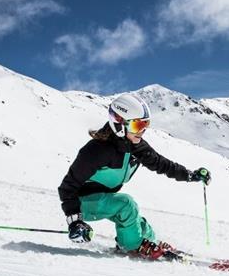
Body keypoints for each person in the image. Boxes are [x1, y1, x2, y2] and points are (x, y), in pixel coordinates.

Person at [57, 93, 211, 260]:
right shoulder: (96, 151)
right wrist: (75, 221)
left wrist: (190, 175)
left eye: (146, 125)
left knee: (141, 225)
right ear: (120, 124)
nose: (143, 131)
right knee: (127, 205)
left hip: (105, 200)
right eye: (138, 126)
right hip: (82, 203)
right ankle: (132, 247)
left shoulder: (136, 146)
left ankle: (149, 243)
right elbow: (67, 187)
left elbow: (161, 164)